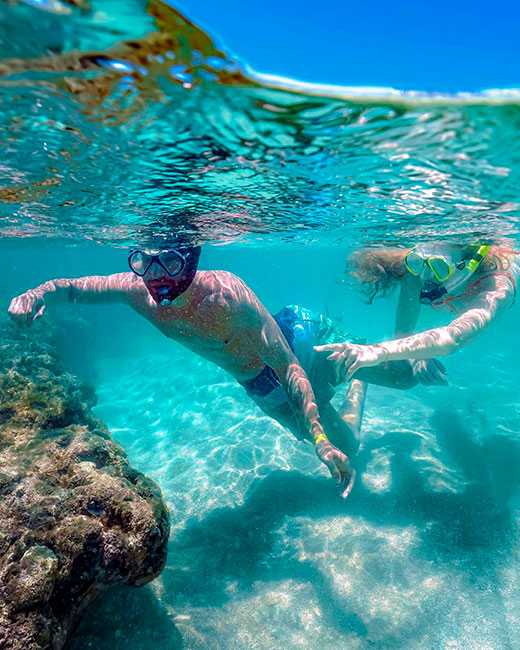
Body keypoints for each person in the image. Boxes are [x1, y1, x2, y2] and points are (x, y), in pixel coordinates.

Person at [8, 239, 373, 498]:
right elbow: (74, 289)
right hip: (256, 383)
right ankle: (342, 386)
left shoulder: (228, 296)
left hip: (286, 351)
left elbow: (289, 366)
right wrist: (38, 293)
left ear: (191, 260)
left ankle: (352, 372)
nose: (156, 277)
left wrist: (321, 438)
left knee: (339, 434)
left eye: (169, 263)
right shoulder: (137, 290)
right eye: (144, 263)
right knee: (348, 445)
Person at [315, 241, 518, 382]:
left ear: (467, 264)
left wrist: (377, 351)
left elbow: (453, 338)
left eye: (439, 268)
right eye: (418, 265)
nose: (427, 279)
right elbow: (404, 330)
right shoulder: (421, 264)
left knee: (401, 373)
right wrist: (417, 355)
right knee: (403, 374)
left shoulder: (497, 286)